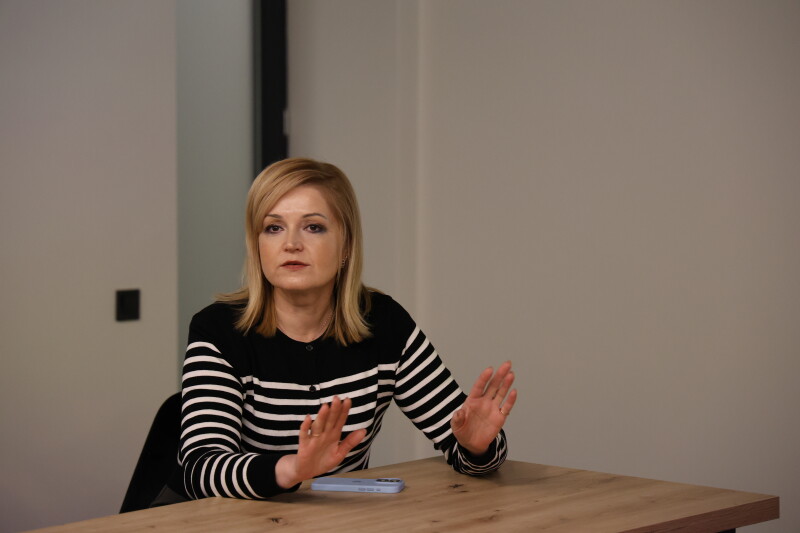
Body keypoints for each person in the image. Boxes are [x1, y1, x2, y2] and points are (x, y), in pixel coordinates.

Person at [177, 158, 516, 500]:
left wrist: (476, 447)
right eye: (273, 228)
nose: (291, 243)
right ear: (257, 244)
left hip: (343, 520)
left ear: (346, 245)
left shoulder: (383, 323)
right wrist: (292, 469)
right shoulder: (218, 330)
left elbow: (472, 452)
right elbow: (199, 469)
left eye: (313, 227)